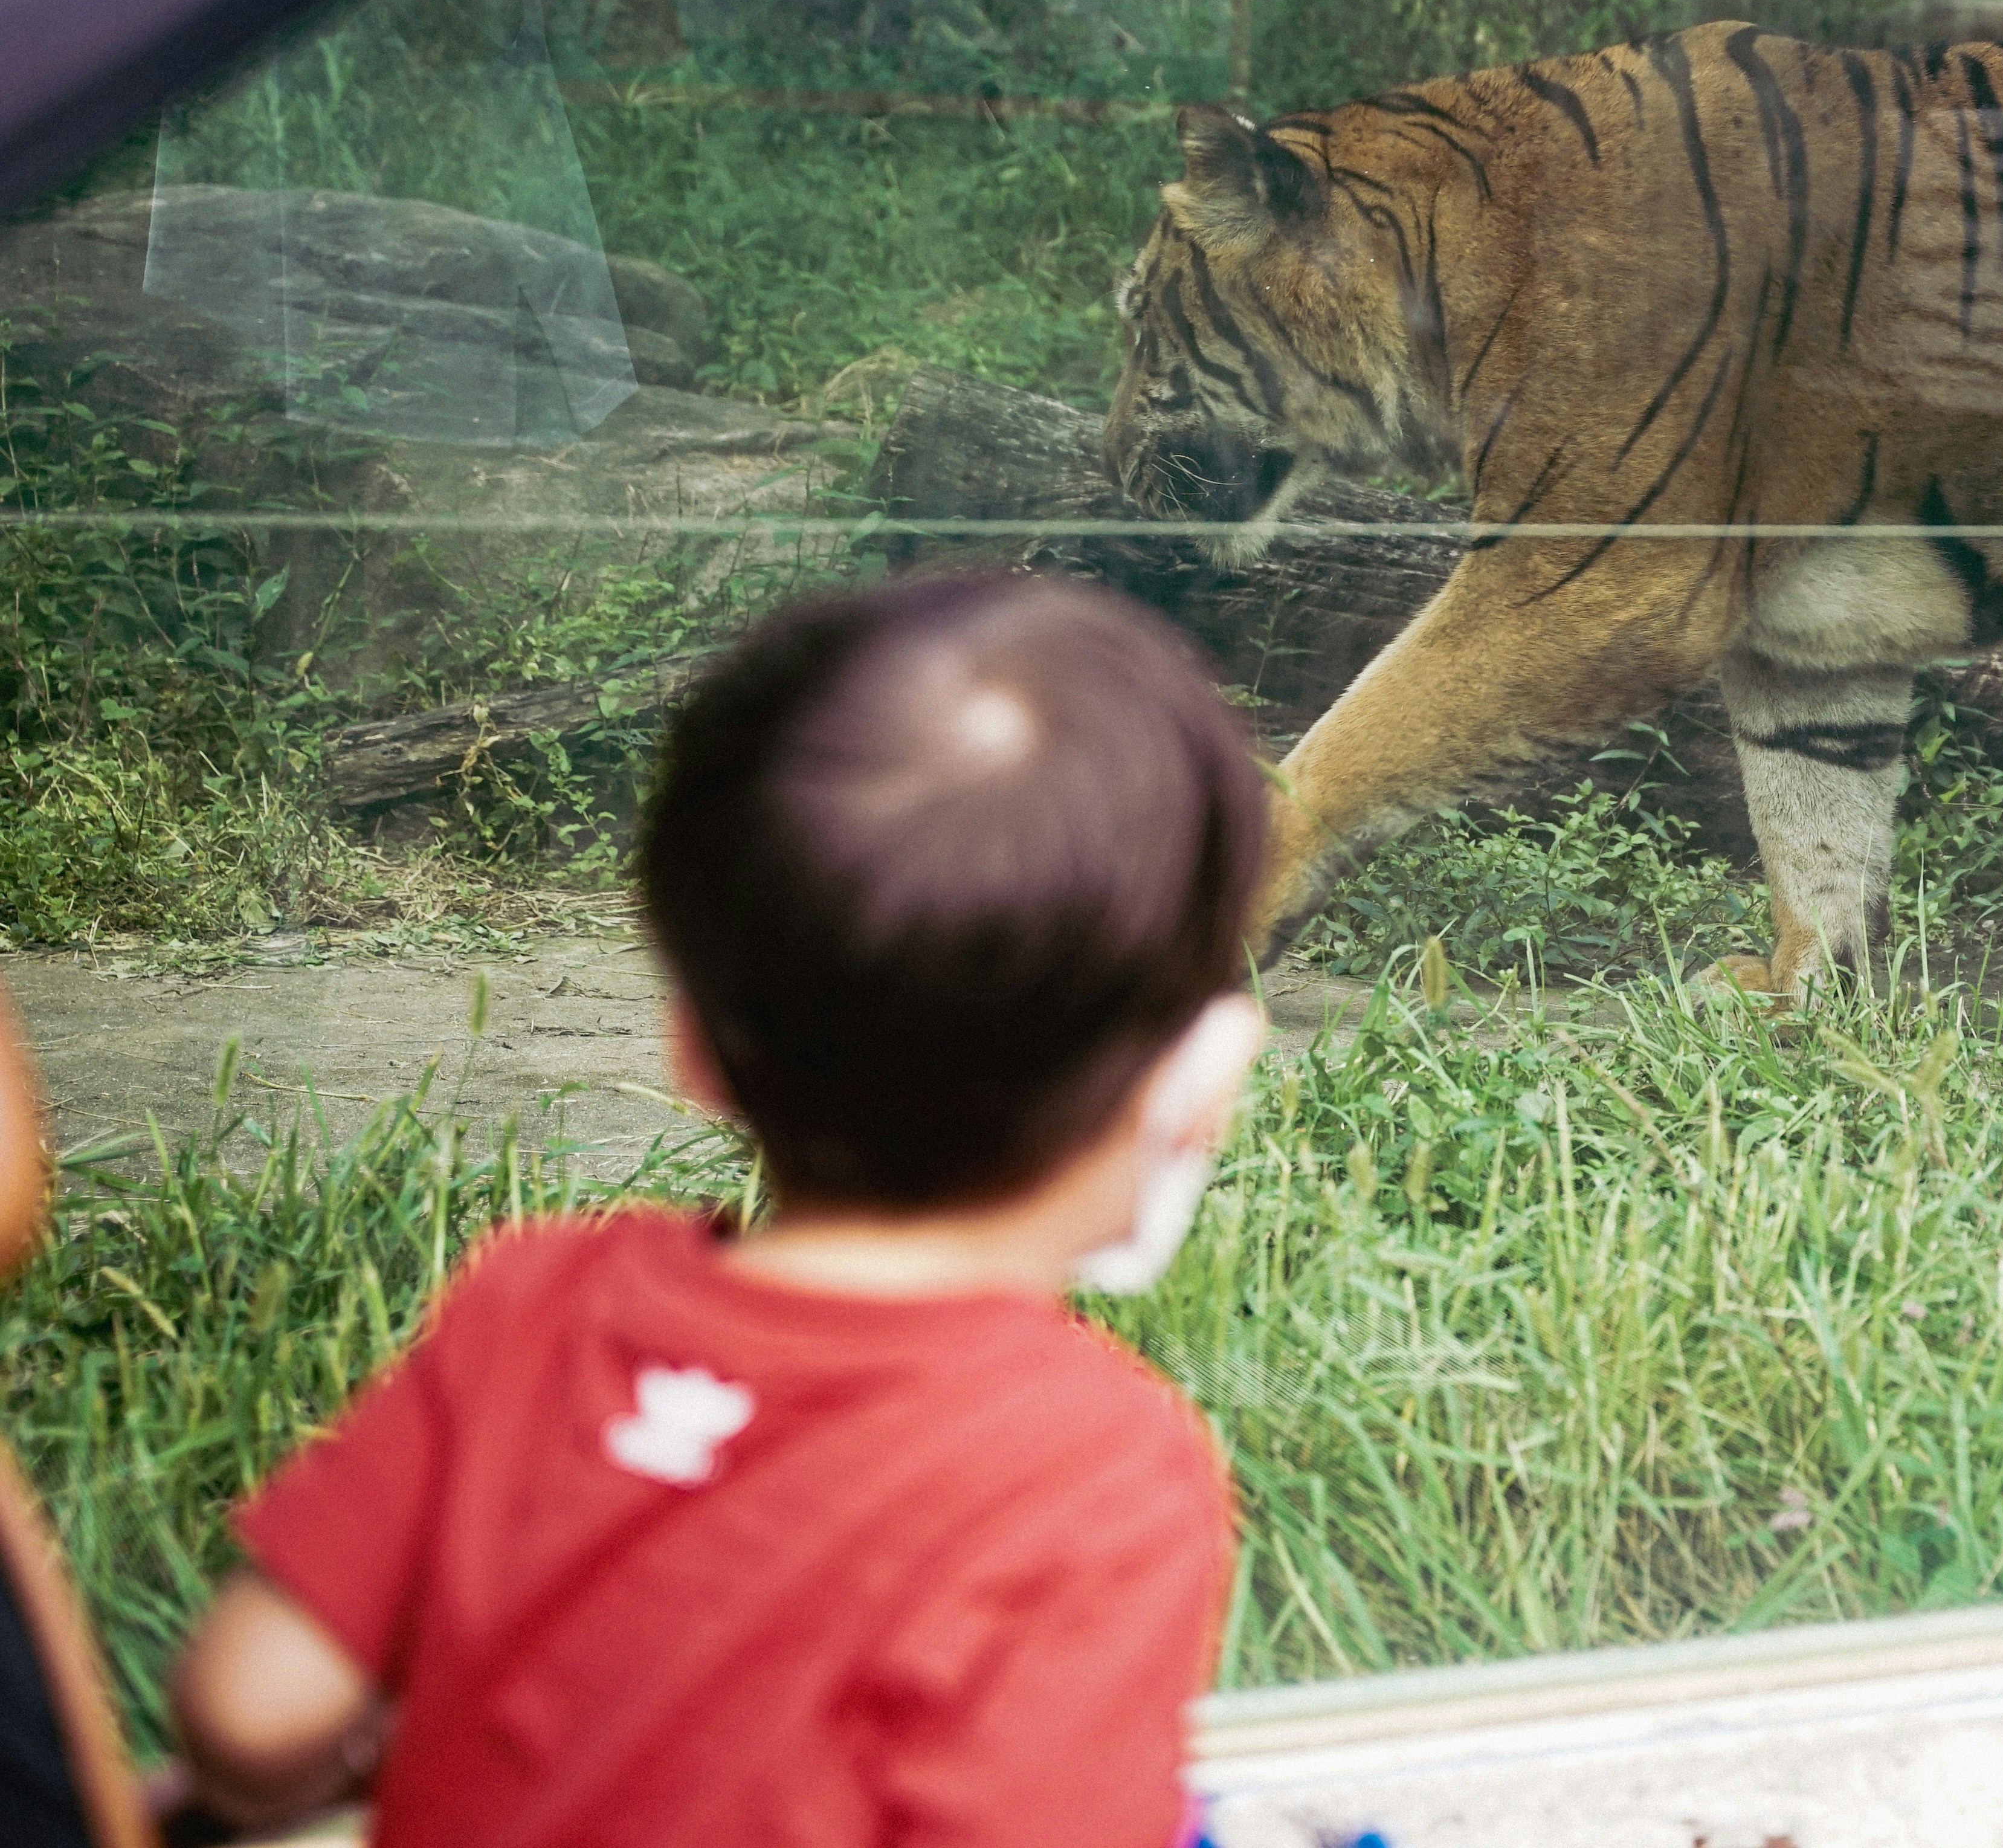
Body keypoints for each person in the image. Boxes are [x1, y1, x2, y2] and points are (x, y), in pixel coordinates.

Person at [158, 572, 1272, 1847]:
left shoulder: (537, 1299)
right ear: (1195, 1086)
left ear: (690, 1047)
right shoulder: (1096, 1473)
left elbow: (248, 1711)